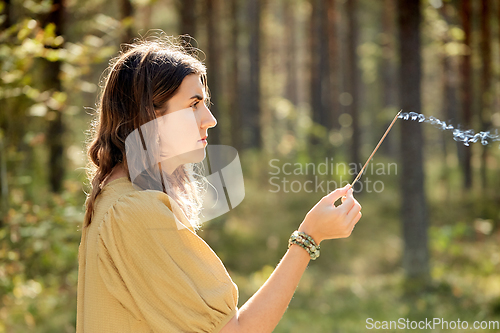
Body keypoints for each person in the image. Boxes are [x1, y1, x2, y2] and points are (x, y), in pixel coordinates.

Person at [77, 35, 362, 333]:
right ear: (149, 115)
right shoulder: (135, 211)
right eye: (193, 105)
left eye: (205, 104)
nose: (209, 119)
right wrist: (307, 238)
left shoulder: (113, 199)